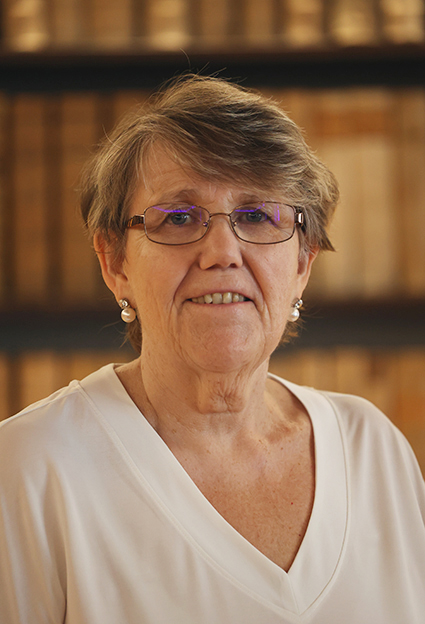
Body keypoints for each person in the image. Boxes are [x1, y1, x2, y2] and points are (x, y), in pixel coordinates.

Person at [0, 74, 424, 624]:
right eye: (178, 218)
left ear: (303, 262)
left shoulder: (374, 451)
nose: (222, 252)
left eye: (257, 215)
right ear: (115, 263)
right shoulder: (29, 468)